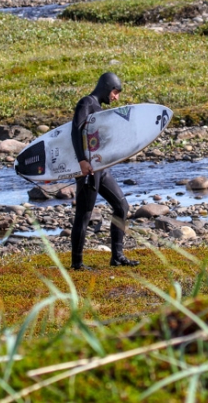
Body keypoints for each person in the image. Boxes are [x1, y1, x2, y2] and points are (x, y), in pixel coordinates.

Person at [70, 72, 140, 271]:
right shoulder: (86, 103)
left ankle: (117, 257)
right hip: (88, 169)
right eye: (115, 92)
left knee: (122, 207)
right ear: (107, 87)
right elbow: (75, 131)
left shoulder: (99, 109)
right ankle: (77, 264)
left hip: (101, 168)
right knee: (84, 214)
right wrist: (82, 161)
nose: (116, 97)